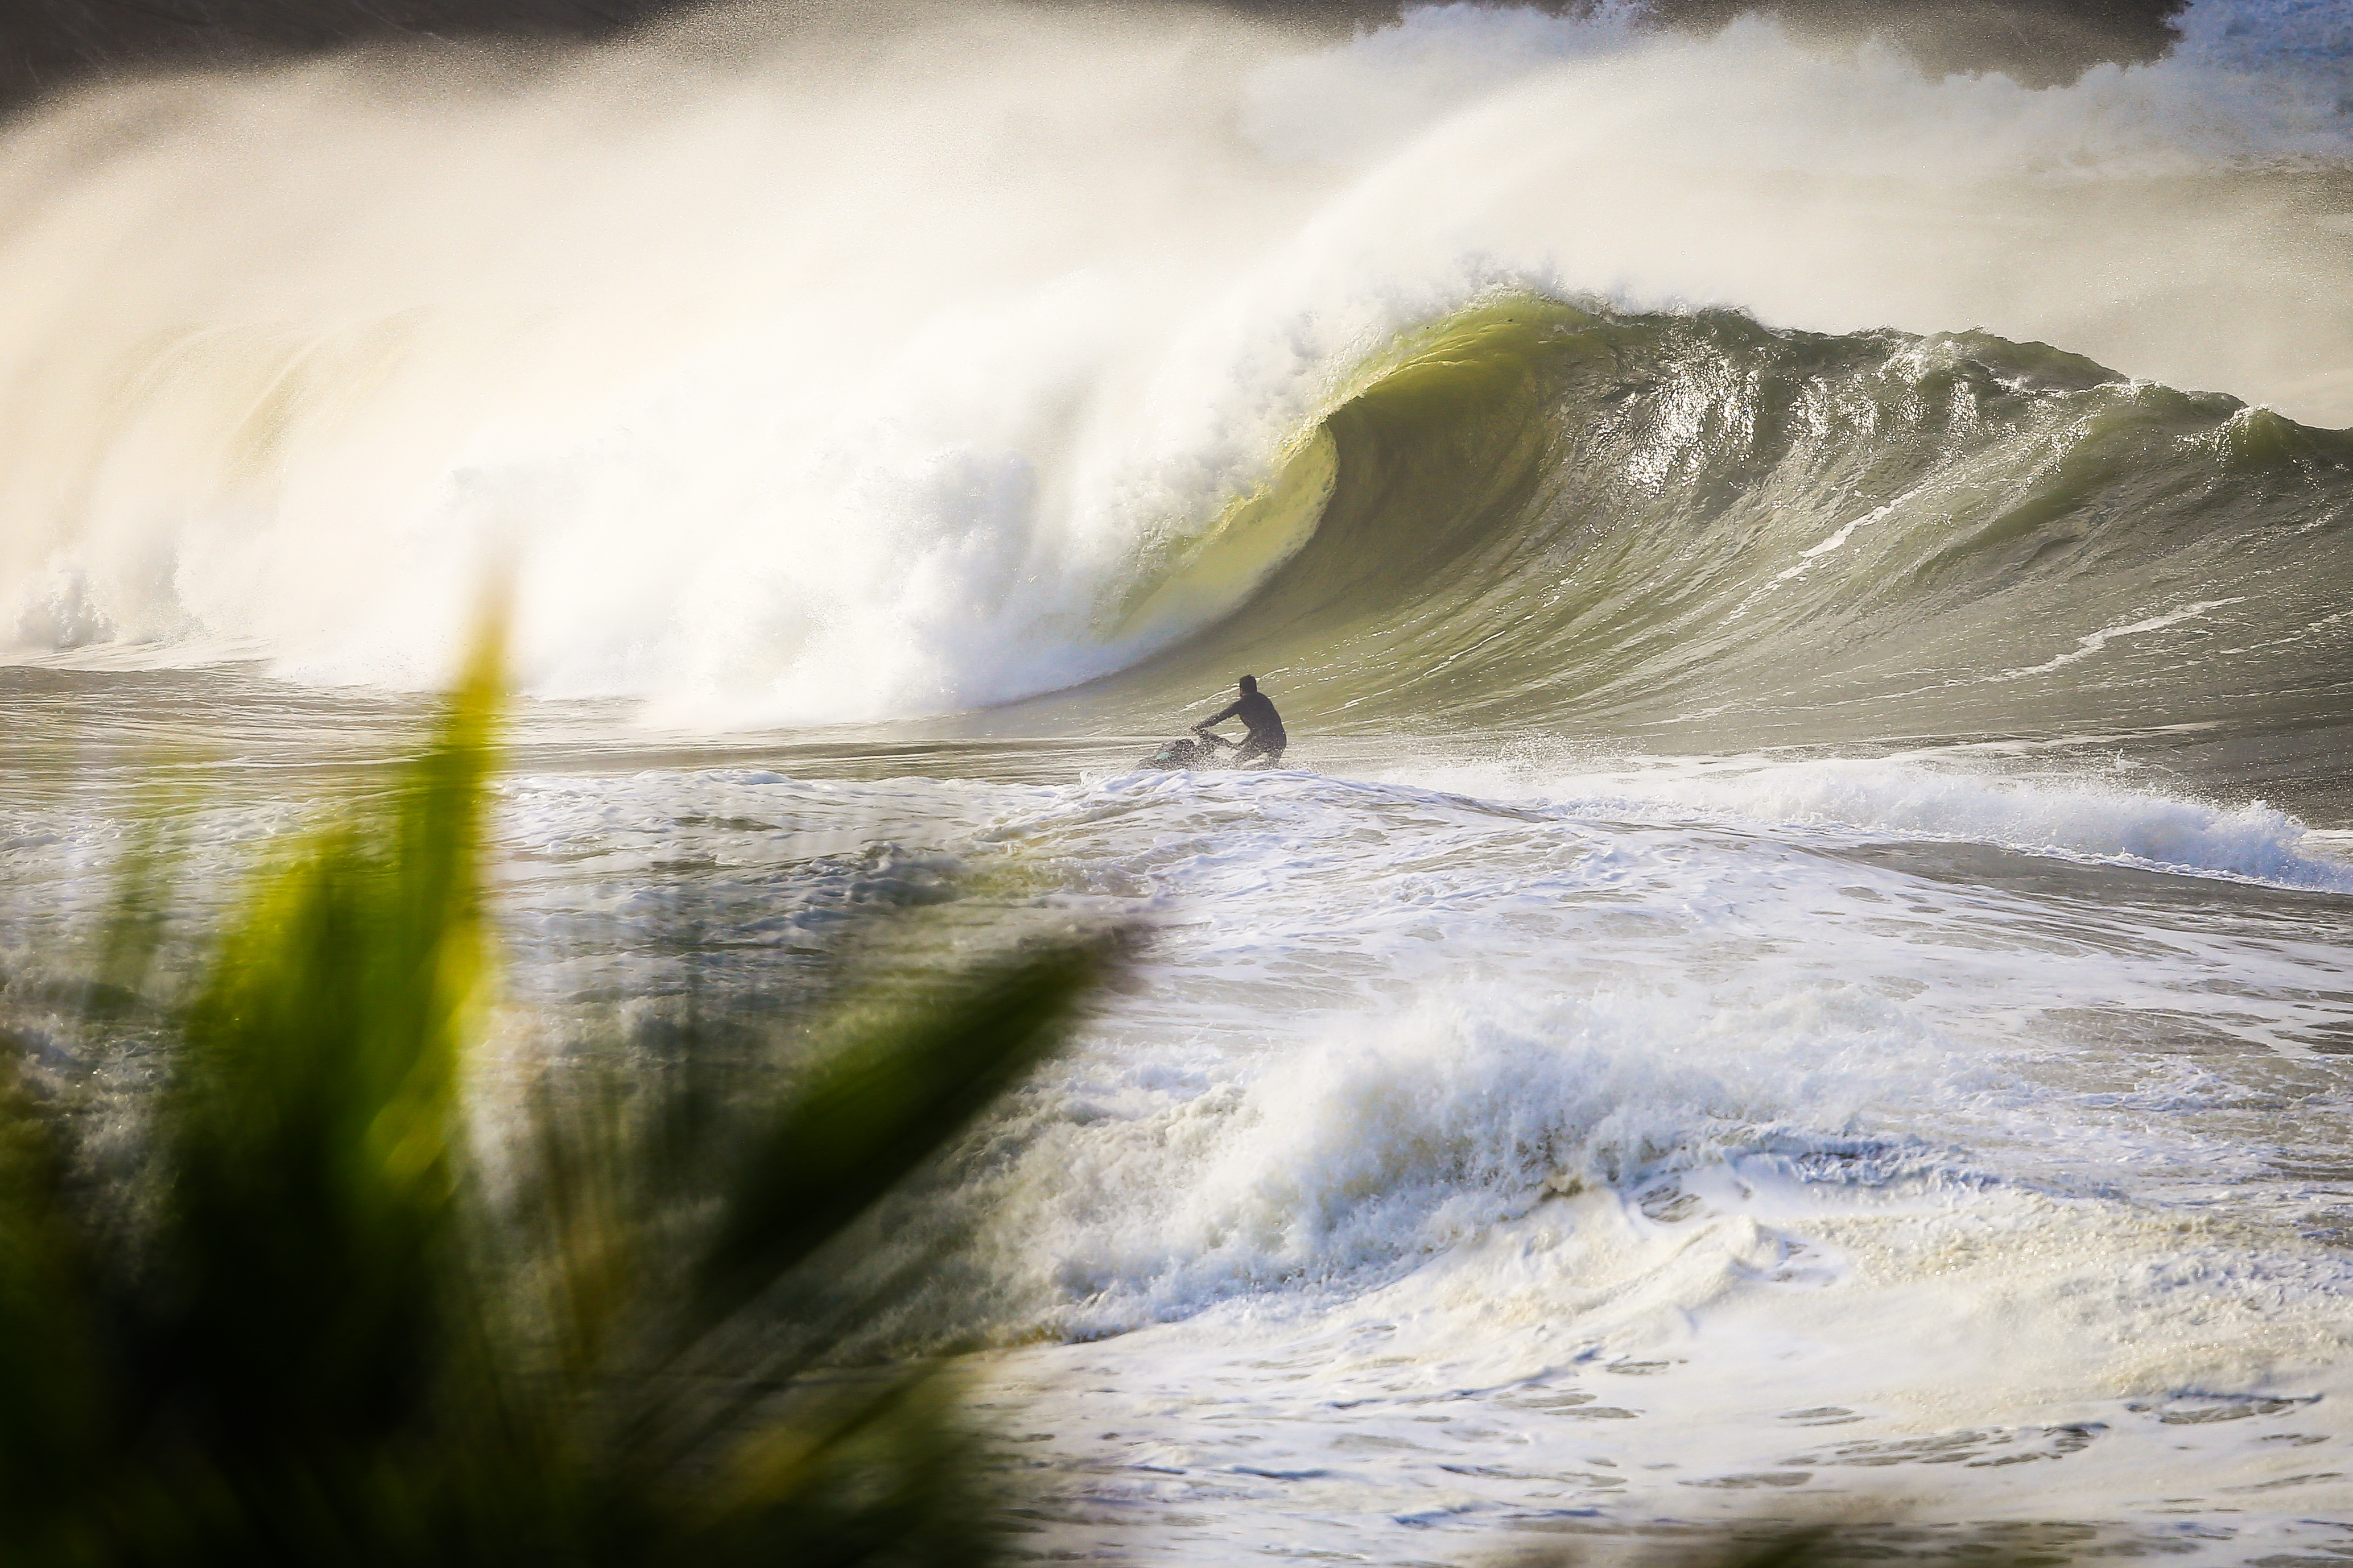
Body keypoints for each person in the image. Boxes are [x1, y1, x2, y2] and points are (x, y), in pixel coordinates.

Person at [1194, 675, 1286, 767]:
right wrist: (1244, 742)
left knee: (1235, 763)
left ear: (1241, 690)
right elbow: (1262, 727)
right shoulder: (1264, 699)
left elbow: (1220, 717)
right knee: (1271, 765)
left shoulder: (1241, 704)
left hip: (1264, 739)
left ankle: (1248, 779)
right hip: (1280, 739)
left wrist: (1200, 726)